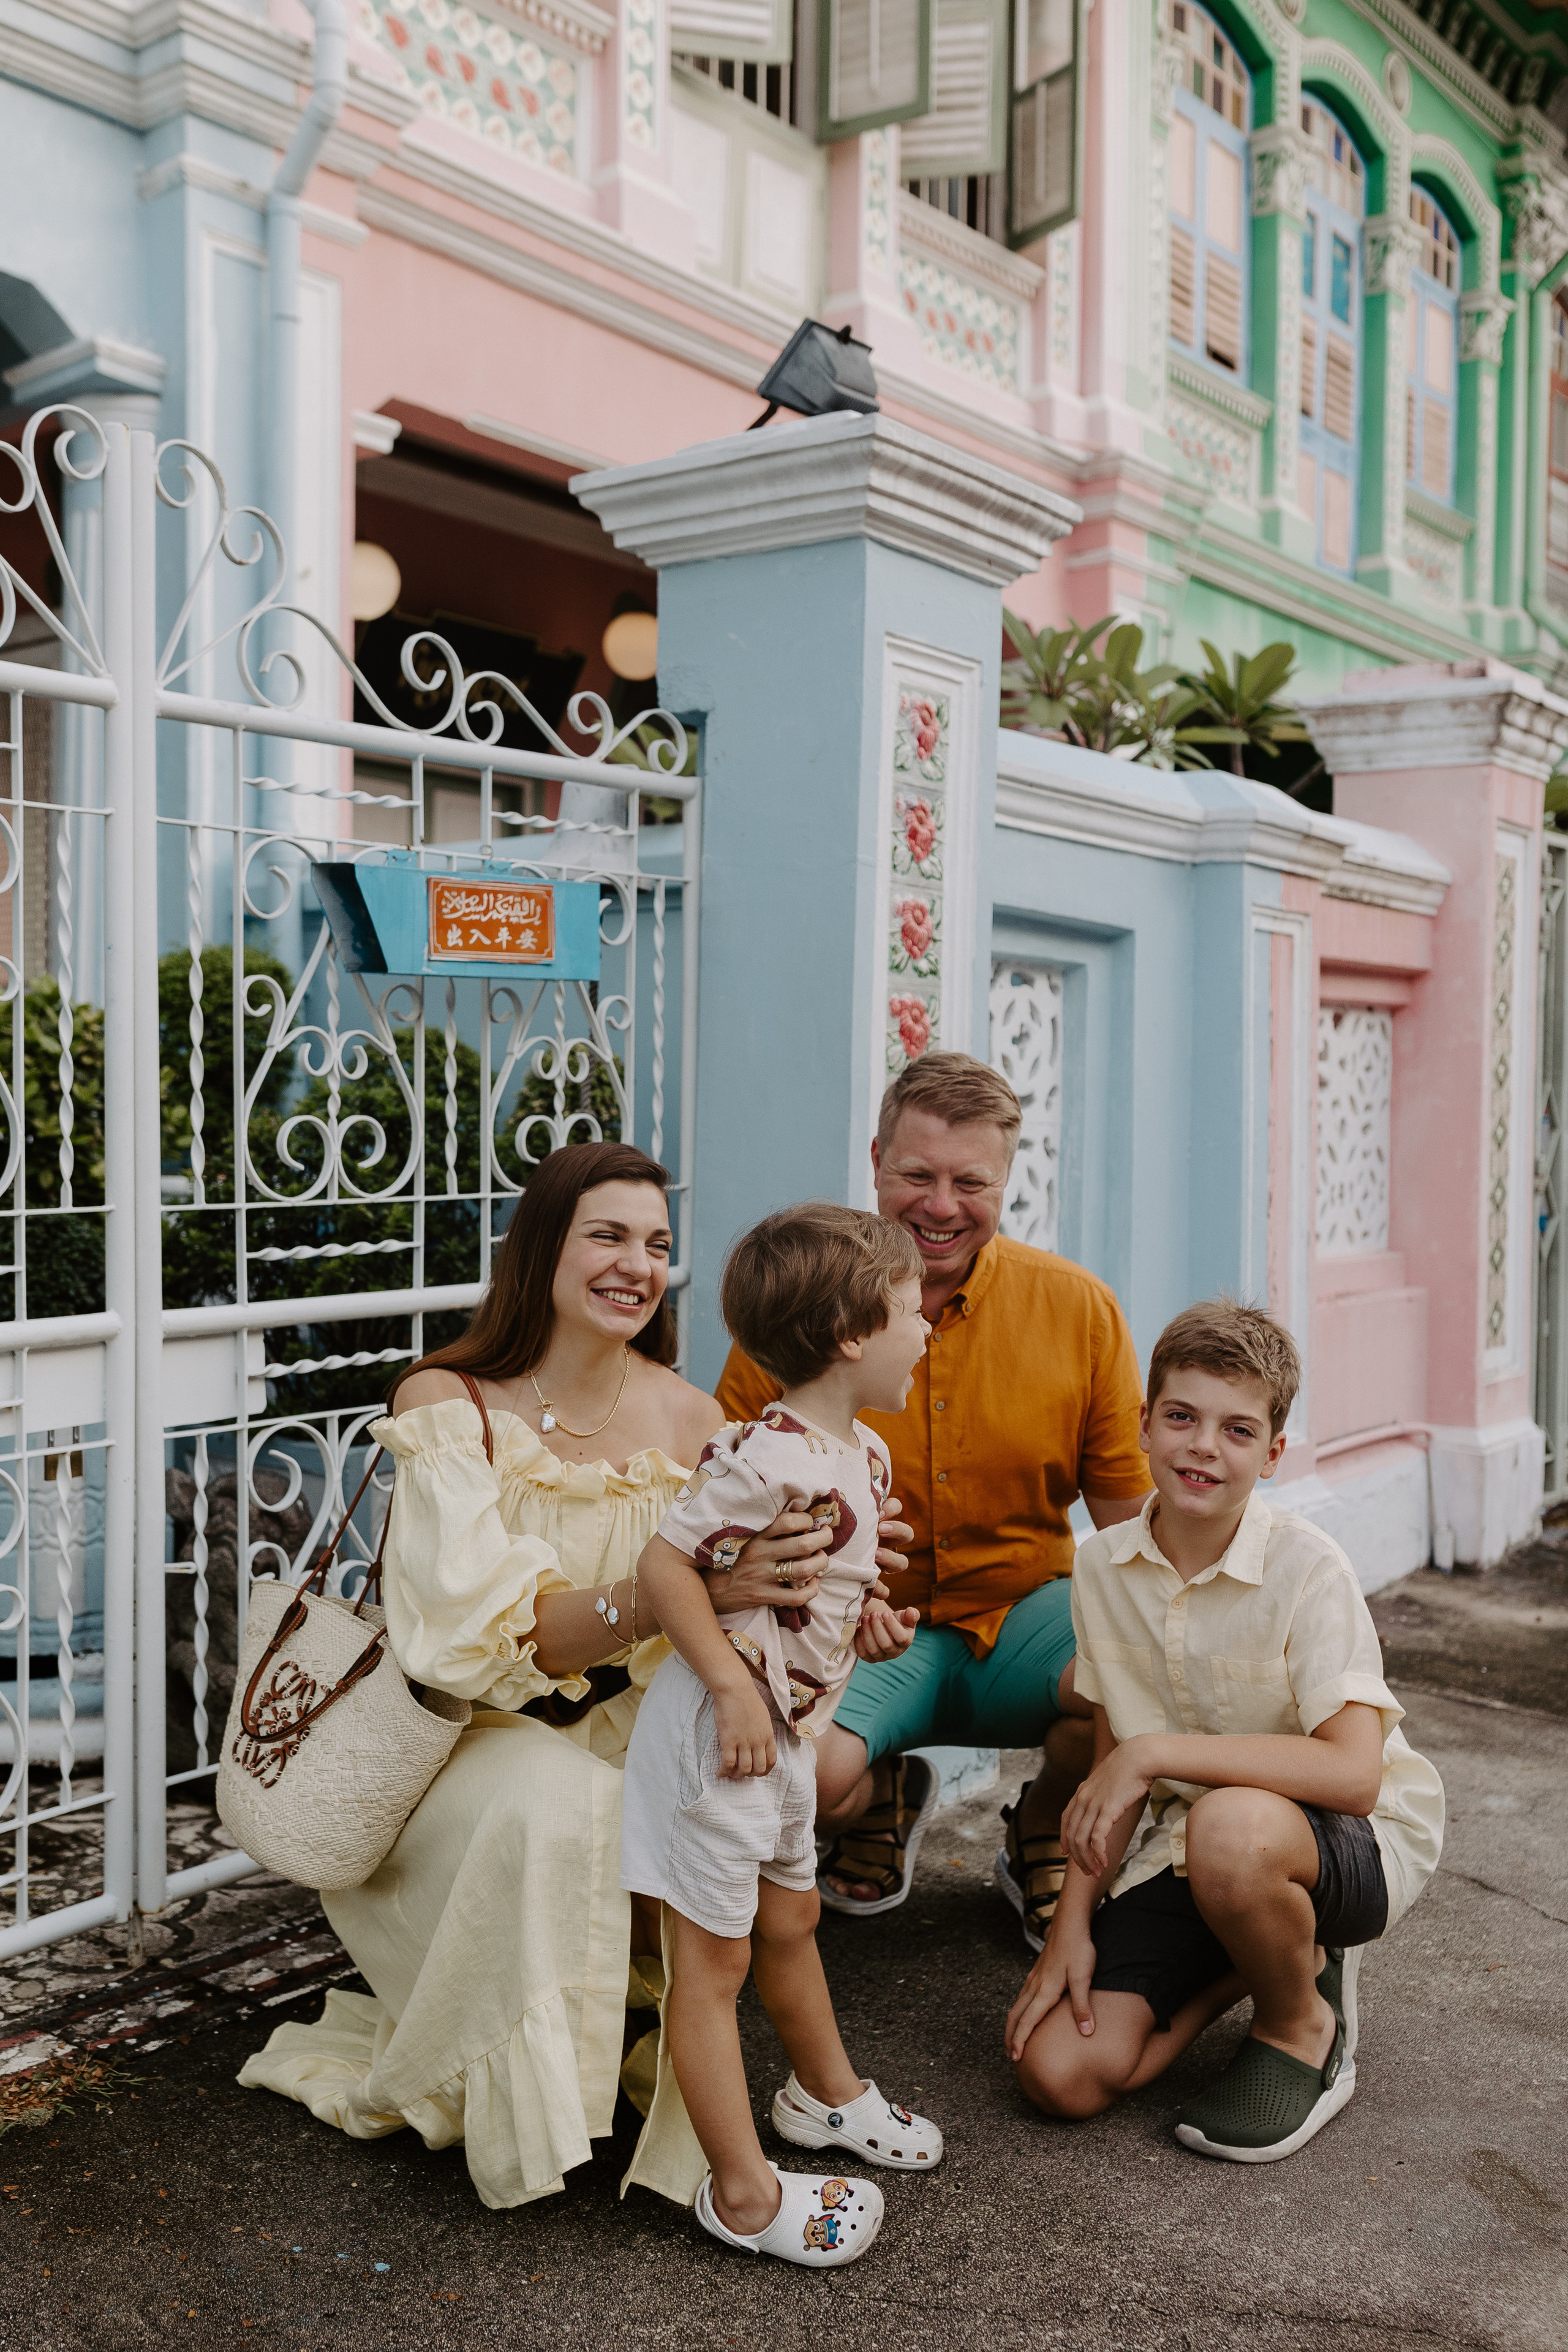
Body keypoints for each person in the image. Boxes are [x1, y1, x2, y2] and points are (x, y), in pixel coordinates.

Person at [239, 1142, 854, 2210]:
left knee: (727, 1788)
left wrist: (832, 1601)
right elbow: (480, 1636)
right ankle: (539, 2112)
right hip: (466, 1741)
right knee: (559, 1799)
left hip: (632, 1723)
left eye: (658, 1245)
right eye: (606, 1235)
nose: (636, 1265)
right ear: (542, 1250)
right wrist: (677, 1594)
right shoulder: (450, 1401)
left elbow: (750, 1600)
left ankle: (808, 2090)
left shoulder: (697, 1418)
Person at [716, 1052, 1152, 1942]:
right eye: (917, 1175)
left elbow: (1133, 1529)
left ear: (1007, 1179)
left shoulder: (1081, 1310)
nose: (941, 1206)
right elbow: (721, 1499)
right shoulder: (802, 1304)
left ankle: (1040, 1830)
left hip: (1027, 1614)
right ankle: (880, 1799)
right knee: (808, 1787)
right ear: (876, 1160)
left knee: (1137, 1685)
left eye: (970, 1181)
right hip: (859, 1632)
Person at [1005, 1298, 1445, 2162]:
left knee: (1232, 1828)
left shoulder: (1309, 1569)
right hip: (1192, 1848)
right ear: (1145, 1423)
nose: (1204, 1446)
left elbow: (1355, 1775)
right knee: (1058, 2073)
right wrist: (1071, 1922)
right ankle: (1258, 1957)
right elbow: (1112, 1755)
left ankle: (1300, 2021)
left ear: (1273, 1454)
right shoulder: (1101, 1564)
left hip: (1345, 1842)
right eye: (1182, 1417)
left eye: (1238, 1430)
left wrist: (1157, 1752)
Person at [623, 1203, 945, 2266]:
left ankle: (826, 2097)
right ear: (853, 1336)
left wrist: (871, 1626)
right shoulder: (765, 1457)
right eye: (910, 1312)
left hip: (789, 1735)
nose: (927, 1329)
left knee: (794, 1919)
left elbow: (820, 1595)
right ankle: (743, 2193)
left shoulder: (863, 1453)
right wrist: (724, 1685)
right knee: (711, 1964)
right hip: (726, 1740)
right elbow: (667, 1569)